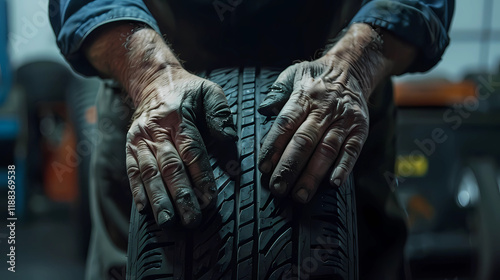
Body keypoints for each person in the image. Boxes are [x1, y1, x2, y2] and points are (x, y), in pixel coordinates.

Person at [50, 0, 454, 279]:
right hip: (153, 99)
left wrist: (355, 67)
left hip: (338, 99)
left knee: (364, 259)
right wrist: (149, 75)